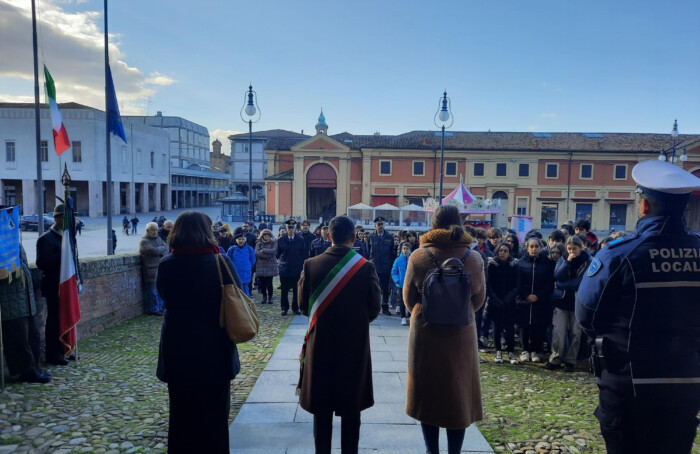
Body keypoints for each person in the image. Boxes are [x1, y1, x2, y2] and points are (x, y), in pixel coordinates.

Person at [576, 160, 700, 454]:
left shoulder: (619, 254)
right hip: (686, 382)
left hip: (628, 383)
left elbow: (587, 316)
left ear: (644, 206)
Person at [156, 211, 242, 453]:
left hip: (178, 347)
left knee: (181, 416)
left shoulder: (167, 264)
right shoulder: (220, 262)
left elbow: (163, 296)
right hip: (215, 347)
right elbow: (237, 294)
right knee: (215, 417)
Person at [403, 205, 485, 454]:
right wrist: (460, 310)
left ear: (433, 225)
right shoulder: (473, 257)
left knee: (427, 391)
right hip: (461, 333)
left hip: (426, 332)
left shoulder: (419, 256)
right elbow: (479, 299)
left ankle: (432, 450)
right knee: (458, 393)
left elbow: (408, 298)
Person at [297, 215, 381, 454]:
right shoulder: (366, 267)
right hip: (353, 346)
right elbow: (374, 309)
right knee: (351, 410)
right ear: (353, 238)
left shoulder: (310, 265)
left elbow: (303, 306)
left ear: (328, 236)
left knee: (321, 410)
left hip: (320, 345)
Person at [0, 244, 51, 383]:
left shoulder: (15, 242)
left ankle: (35, 367)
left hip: (25, 299)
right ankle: (27, 371)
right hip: (11, 301)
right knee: (20, 339)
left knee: (33, 335)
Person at [545, 235, 590, 371]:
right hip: (561, 301)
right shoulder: (563, 259)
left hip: (578, 301)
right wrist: (567, 263)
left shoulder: (588, 261)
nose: (571, 252)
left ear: (580, 248)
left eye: (574, 249)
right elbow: (557, 275)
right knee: (558, 332)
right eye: (569, 249)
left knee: (576, 333)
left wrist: (560, 285)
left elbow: (579, 283)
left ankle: (570, 360)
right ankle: (555, 358)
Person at [36, 203, 70, 366]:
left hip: (66, 285)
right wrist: (61, 254)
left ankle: (65, 349)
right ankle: (53, 354)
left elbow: (73, 261)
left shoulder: (68, 237)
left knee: (66, 318)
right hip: (53, 286)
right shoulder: (46, 239)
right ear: (58, 219)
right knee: (54, 320)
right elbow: (42, 263)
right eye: (65, 218)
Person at [515, 237, 554, 363]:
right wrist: (526, 295)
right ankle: (525, 349)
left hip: (541, 301)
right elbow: (518, 282)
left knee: (538, 326)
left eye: (536, 246)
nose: (534, 249)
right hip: (524, 300)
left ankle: (535, 350)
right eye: (531, 246)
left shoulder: (547, 264)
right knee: (524, 325)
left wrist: (538, 295)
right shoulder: (520, 263)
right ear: (527, 248)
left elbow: (549, 283)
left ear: (541, 248)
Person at [486, 242, 519, 365]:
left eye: (505, 251)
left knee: (509, 328)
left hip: (510, 303)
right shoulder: (492, 265)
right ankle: (498, 351)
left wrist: (509, 298)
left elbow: (517, 284)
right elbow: (488, 284)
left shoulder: (514, 265)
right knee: (496, 328)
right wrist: (495, 299)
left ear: (509, 253)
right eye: (501, 250)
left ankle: (511, 351)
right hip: (495, 302)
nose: (503, 253)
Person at [276, 219, 306, 316]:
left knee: (296, 290)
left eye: (292, 228)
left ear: (295, 228)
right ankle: (284, 308)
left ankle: (295, 308)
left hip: (296, 268)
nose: (291, 229)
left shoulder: (300, 239)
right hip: (284, 268)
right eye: (289, 227)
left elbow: (303, 254)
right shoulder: (280, 240)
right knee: (284, 290)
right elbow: (277, 254)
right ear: (286, 228)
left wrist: (302, 267)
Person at [367, 216, 396, 316]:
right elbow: (368, 252)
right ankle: (374, 307)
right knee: (373, 287)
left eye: (382, 224)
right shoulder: (371, 237)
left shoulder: (389, 237)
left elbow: (392, 253)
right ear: (375, 226)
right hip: (374, 266)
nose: (380, 226)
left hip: (385, 267)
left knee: (385, 288)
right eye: (378, 224)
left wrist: (390, 265)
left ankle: (385, 307)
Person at [139, 222, 168, 316]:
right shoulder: (144, 241)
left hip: (159, 268)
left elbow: (166, 249)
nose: (155, 232)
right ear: (147, 231)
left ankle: (160, 308)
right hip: (150, 270)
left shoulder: (158, 239)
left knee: (159, 290)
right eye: (152, 230)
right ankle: (154, 309)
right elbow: (153, 251)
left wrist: (161, 249)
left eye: (156, 230)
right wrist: (162, 249)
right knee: (153, 291)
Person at [227, 228, 256, 297]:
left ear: (245, 240)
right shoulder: (232, 249)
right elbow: (228, 259)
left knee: (245, 287)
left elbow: (252, 260)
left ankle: (246, 300)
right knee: (236, 287)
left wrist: (247, 266)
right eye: (239, 239)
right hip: (235, 271)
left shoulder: (249, 249)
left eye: (242, 239)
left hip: (246, 271)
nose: (241, 241)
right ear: (236, 240)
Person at [391, 241, 412, 325]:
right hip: (401, 284)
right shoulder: (398, 260)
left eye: (407, 249)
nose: (405, 250)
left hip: (411, 284)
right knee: (402, 301)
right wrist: (397, 280)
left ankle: (409, 316)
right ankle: (403, 317)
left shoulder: (412, 259)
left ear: (410, 250)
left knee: (410, 300)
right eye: (404, 249)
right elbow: (394, 271)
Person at [255, 229, 278, 304]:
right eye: (264, 234)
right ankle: (264, 297)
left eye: (268, 234)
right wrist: (267, 255)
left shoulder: (274, 242)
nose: (266, 235)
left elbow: (274, 251)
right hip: (261, 265)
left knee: (269, 283)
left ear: (270, 235)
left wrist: (263, 250)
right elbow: (257, 253)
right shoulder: (258, 243)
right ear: (262, 235)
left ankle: (270, 297)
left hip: (270, 265)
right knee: (262, 283)